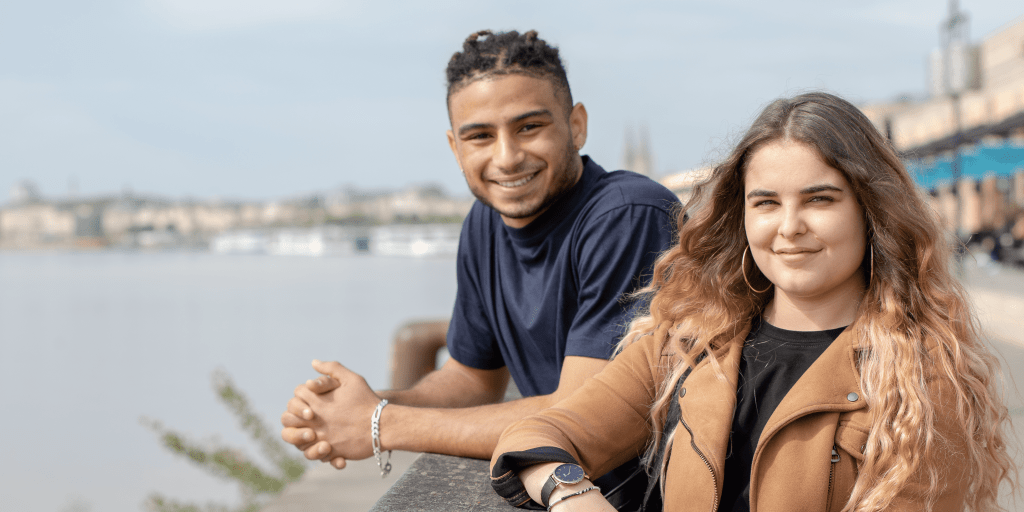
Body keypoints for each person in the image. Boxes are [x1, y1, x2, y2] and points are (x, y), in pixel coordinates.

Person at [489, 92, 1015, 512]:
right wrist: (572, 492)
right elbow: (539, 435)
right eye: (766, 203)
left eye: (819, 199)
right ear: (741, 216)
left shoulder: (923, 380)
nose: (789, 228)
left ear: (870, 211)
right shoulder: (687, 342)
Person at [280, 29, 679, 509]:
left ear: (576, 125)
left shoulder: (628, 215)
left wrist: (381, 425)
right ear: (455, 147)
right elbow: (472, 379)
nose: (506, 157)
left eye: (529, 127)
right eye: (480, 136)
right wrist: (363, 407)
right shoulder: (486, 223)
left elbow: (581, 412)